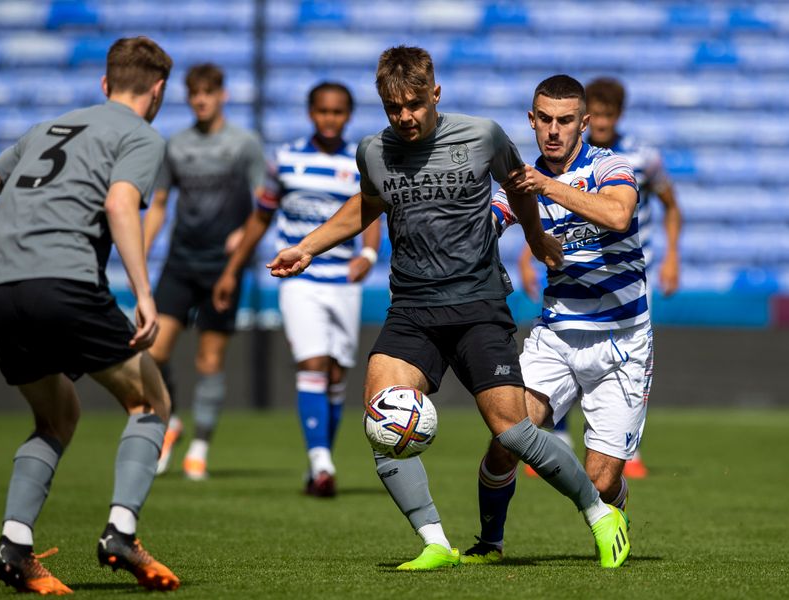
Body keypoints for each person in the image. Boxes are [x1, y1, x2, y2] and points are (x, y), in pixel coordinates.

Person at [268, 46, 629, 570]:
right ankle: (435, 541)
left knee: (513, 432)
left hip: (477, 305)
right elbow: (367, 205)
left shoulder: (482, 136)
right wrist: (308, 246)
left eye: (415, 104)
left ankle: (598, 513)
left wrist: (535, 237)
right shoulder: (373, 151)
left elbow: (519, 186)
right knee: (381, 418)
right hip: (411, 308)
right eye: (394, 108)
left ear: (434, 94)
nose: (405, 117)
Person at [0, 37, 180, 594]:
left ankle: (15, 545)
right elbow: (120, 203)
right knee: (152, 402)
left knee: (56, 417)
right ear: (159, 90)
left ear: (104, 84)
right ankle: (121, 532)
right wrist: (145, 295)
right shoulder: (141, 135)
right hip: (65, 283)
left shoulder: (48, 128)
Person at [461, 75, 650, 568]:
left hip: (622, 340)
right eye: (544, 119)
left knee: (602, 480)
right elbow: (486, 226)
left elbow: (617, 216)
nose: (553, 130)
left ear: (584, 124)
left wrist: (547, 185)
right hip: (556, 336)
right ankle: (490, 542)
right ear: (531, 120)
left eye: (565, 120)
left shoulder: (610, 166)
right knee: (508, 436)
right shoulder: (519, 183)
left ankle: (616, 504)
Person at [213, 82, 380, 497]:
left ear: (348, 115)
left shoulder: (360, 162)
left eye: (338, 112)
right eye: (323, 111)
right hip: (299, 278)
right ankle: (322, 464)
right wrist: (232, 270)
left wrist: (369, 255)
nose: (330, 118)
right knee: (314, 363)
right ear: (311, 113)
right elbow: (261, 217)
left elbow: (373, 211)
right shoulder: (285, 159)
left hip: (342, 280)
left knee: (338, 373)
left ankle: (320, 460)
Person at [516, 76, 681, 480]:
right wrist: (527, 252)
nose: (602, 124)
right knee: (528, 410)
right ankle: (560, 442)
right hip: (568, 295)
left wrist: (671, 257)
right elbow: (542, 218)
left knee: (604, 474)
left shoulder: (634, 159)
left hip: (624, 285)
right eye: (546, 120)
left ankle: (624, 448)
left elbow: (663, 206)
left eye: (607, 117)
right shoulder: (545, 171)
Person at [142, 63, 266, 481]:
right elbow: (159, 204)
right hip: (180, 261)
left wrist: (241, 240)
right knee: (152, 351)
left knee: (209, 360)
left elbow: (263, 203)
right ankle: (172, 420)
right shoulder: (174, 146)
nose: (201, 99)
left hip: (222, 267)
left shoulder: (244, 145)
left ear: (222, 95)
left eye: (208, 92)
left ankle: (199, 447)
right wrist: (140, 250)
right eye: (194, 92)